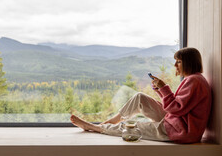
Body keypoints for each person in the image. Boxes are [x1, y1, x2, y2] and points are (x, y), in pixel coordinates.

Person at [70, 47, 212, 144]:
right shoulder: (194, 79)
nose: (175, 65)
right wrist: (160, 89)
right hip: (177, 121)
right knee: (140, 97)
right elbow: (177, 107)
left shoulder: (194, 81)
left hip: (181, 130)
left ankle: (95, 127)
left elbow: (176, 108)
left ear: (189, 63)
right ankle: (112, 121)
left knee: (132, 127)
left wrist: (164, 89)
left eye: (179, 62)